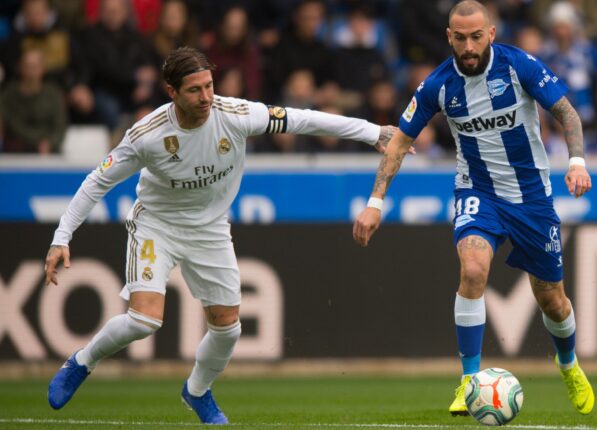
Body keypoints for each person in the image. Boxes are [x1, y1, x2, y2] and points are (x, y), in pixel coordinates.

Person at [44, 46, 398, 424]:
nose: (206, 97)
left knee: (227, 330)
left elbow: (303, 119)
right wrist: (61, 236)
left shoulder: (236, 114)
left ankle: (197, 391)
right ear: (172, 92)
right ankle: (82, 362)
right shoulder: (146, 135)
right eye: (195, 90)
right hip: (157, 225)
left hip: (210, 228)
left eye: (209, 86)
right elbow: (97, 181)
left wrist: (374, 132)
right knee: (144, 321)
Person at [352, 0, 594, 417]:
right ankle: (468, 382)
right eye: (460, 37)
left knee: (552, 300)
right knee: (474, 269)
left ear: (491, 34)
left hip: (531, 198)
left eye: (476, 36)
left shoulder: (520, 67)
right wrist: (375, 203)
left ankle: (568, 364)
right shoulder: (437, 85)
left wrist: (576, 161)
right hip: (477, 192)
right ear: (449, 37)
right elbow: (399, 143)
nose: (468, 46)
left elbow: (566, 112)